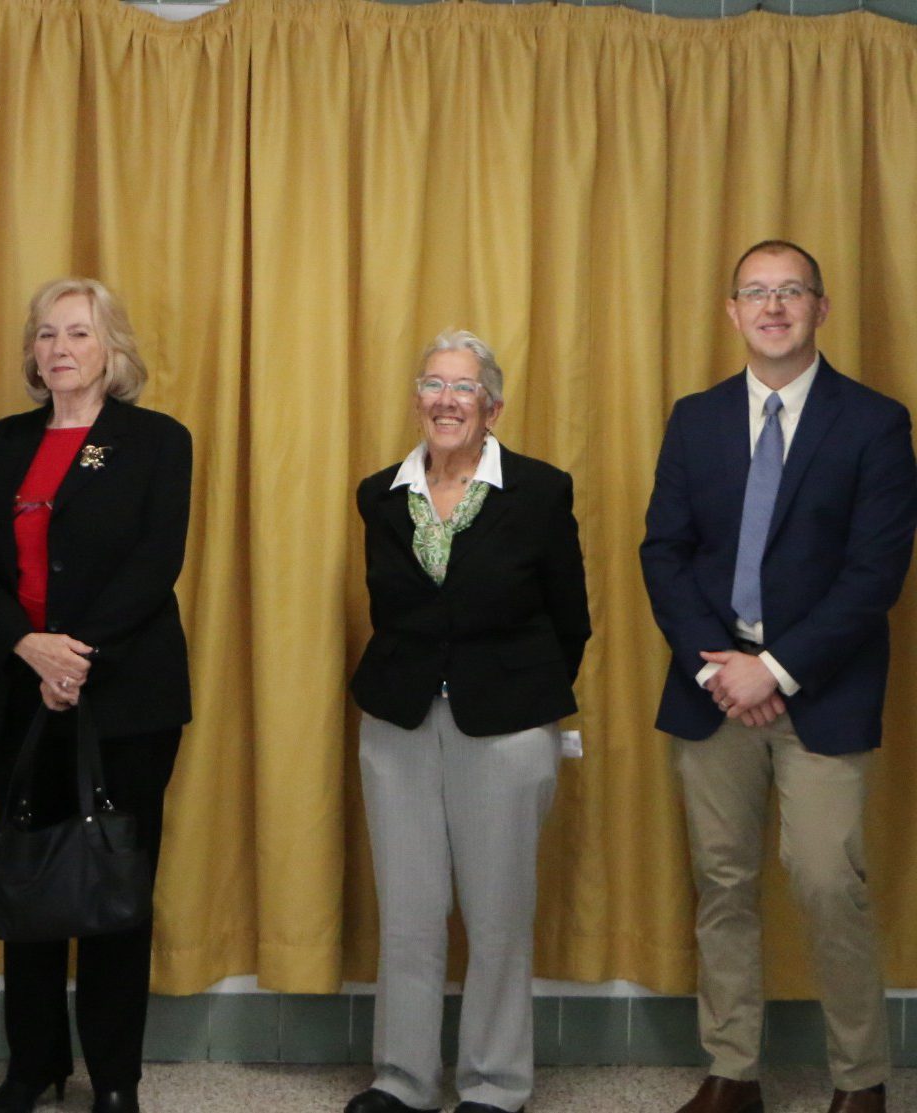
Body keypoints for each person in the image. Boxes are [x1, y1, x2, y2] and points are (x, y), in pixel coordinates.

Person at [640, 241, 915, 1113]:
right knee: (721, 883)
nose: (773, 306)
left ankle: (860, 1081)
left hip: (821, 689)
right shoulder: (695, 417)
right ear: (732, 312)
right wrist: (717, 668)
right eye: (756, 293)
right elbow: (664, 551)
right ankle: (732, 1072)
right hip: (712, 687)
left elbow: (876, 573)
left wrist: (778, 669)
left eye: (791, 291)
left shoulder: (875, 422)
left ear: (820, 309)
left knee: (829, 881)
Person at [0, 277, 191, 1113]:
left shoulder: (158, 441)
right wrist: (28, 646)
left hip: (123, 698)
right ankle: (33, 1065)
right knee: (30, 882)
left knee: (114, 890)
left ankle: (115, 1076)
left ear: (112, 349)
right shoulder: (0, 442)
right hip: (15, 696)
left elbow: (154, 563)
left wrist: (73, 658)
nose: (59, 349)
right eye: (46, 334)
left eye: (79, 334)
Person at [343, 331, 590, 1113]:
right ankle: (403, 1080)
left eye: (464, 388)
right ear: (417, 399)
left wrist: (520, 695)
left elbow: (571, 620)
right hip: (399, 722)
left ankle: (494, 1083)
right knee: (410, 915)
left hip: (507, 726)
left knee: (498, 916)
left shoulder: (542, 490)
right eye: (433, 385)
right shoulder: (379, 494)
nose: (447, 401)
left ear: (493, 406)